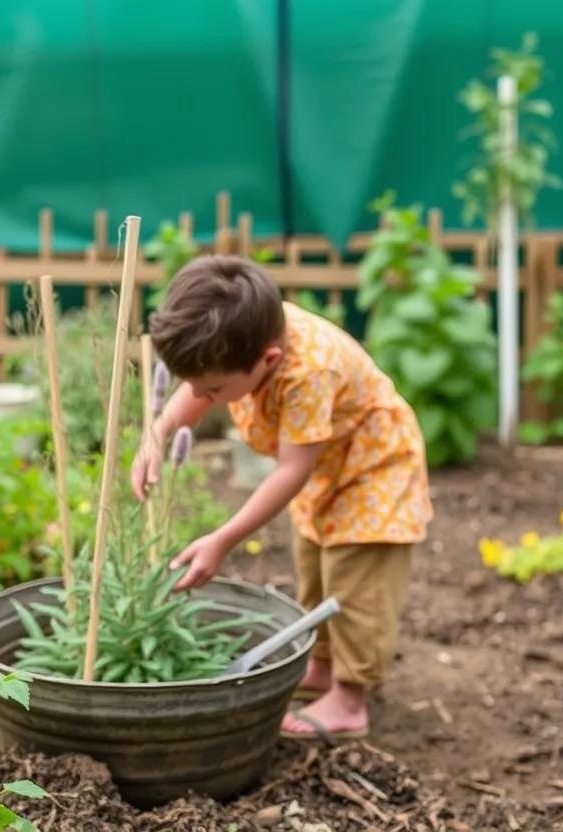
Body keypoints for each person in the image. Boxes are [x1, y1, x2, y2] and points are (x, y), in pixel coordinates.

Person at [132, 255, 432, 742]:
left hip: (376, 469)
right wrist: (160, 431)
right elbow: (200, 389)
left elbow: (293, 468)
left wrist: (223, 539)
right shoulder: (240, 334)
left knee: (356, 584)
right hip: (332, 468)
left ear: (268, 361)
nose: (201, 396)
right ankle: (321, 668)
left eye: (213, 388)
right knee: (313, 568)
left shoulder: (308, 371)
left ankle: (350, 700)